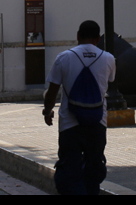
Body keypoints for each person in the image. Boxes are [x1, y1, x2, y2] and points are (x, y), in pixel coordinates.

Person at [43, 20, 117, 195]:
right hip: (97, 122)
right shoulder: (108, 58)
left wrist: (47, 111)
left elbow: (52, 92)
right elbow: (110, 80)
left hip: (70, 124)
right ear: (98, 39)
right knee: (93, 170)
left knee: (69, 172)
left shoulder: (64, 57)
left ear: (78, 36)